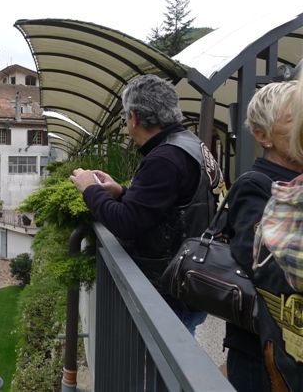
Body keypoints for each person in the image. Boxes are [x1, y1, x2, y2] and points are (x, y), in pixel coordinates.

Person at [69, 74, 222, 334]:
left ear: (134, 117)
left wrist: (90, 189)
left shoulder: (165, 158)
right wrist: (121, 192)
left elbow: (126, 223)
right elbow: (172, 206)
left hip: (169, 290)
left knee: (162, 357)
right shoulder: (190, 144)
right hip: (191, 276)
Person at [222, 81, 301, 392]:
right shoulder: (256, 185)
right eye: (294, 118)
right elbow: (262, 262)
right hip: (261, 353)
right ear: (262, 135)